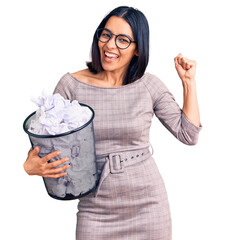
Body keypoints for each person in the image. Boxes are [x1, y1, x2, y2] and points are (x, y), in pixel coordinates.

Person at [23, 6, 202, 240]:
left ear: (138, 49)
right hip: (95, 207)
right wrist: (30, 166)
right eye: (105, 35)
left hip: (148, 205)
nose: (110, 45)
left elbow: (189, 134)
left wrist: (188, 82)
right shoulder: (71, 85)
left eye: (123, 40)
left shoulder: (149, 85)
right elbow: (49, 142)